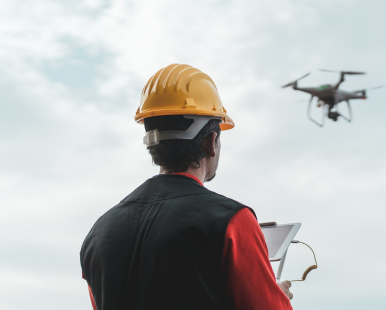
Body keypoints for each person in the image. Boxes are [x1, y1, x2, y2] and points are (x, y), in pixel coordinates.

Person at [80, 64, 293, 310]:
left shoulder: (98, 232)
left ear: (152, 142)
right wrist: (277, 296)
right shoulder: (233, 221)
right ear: (211, 142)